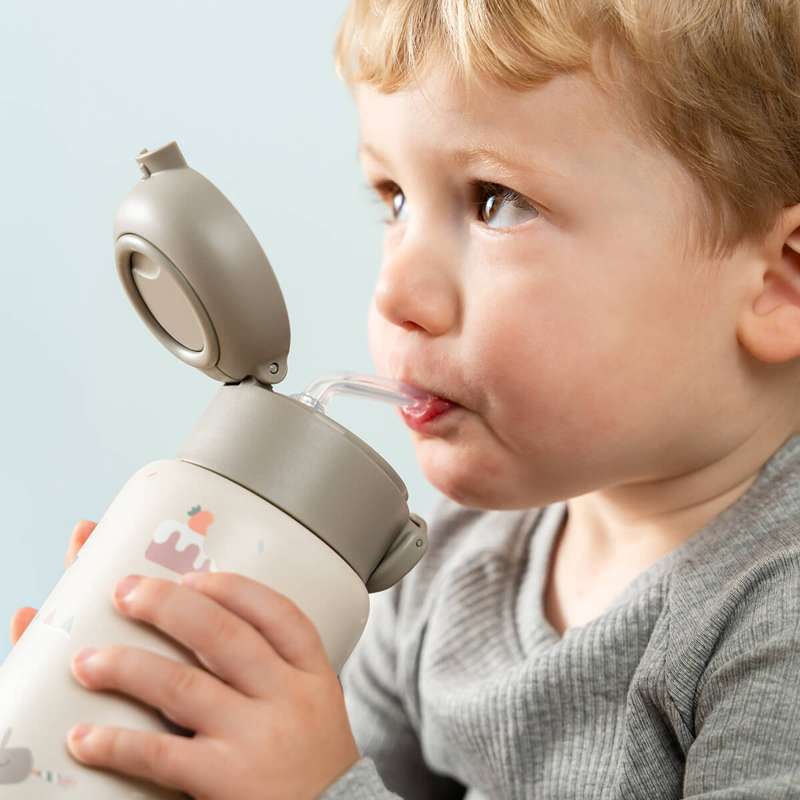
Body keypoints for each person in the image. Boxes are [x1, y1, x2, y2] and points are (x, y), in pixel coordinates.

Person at [12, 0, 800, 796]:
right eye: (392, 198)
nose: (394, 293)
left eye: (497, 201)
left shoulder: (777, 618)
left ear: (779, 282)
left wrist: (316, 788)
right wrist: (176, 738)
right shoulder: (449, 562)